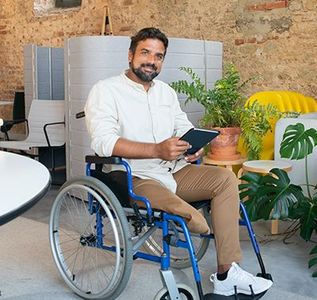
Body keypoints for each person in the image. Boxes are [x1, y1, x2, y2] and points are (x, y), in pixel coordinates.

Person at [84, 27, 273, 297]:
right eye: (145, 53)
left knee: (225, 179)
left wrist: (192, 148)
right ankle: (193, 218)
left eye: (158, 56)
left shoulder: (166, 93)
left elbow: (183, 127)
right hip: (135, 176)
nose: (151, 60)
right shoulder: (106, 91)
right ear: (130, 55)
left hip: (175, 170)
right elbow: (103, 142)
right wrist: (157, 150)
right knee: (182, 210)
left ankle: (226, 273)